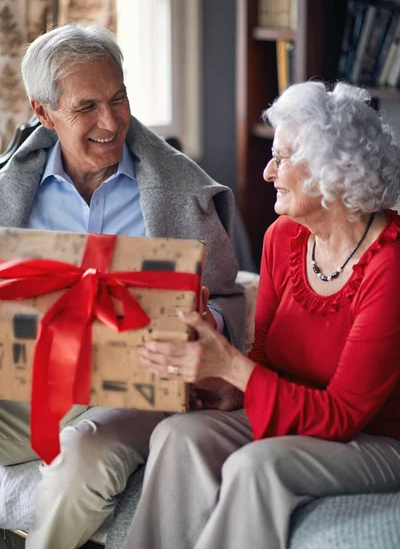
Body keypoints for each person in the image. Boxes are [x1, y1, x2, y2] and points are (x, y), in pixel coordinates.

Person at [123, 81, 400, 549]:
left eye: (283, 157)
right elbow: (264, 362)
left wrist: (232, 366)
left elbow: (343, 416)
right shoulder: (282, 238)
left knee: (257, 466)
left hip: (377, 440)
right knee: (178, 435)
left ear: (339, 169)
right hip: (298, 413)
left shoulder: (390, 266)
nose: (269, 171)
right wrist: (215, 370)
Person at [0, 23, 245, 549]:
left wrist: (210, 326)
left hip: (138, 392)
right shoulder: (10, 190)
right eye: (86, 107)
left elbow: (230, 296)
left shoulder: (181, 192)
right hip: (34, 382)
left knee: (82, 460)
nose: (110, 121)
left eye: (119, 98)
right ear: (44, 113)